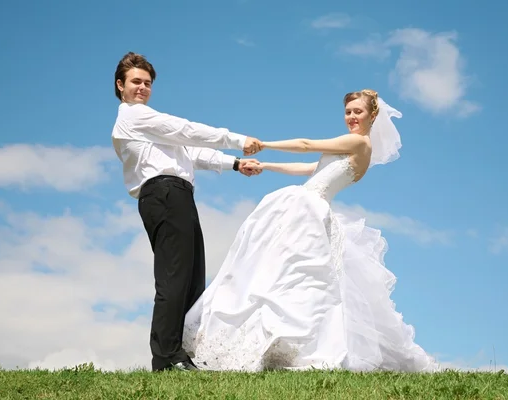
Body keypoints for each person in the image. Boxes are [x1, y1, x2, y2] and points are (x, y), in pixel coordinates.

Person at [182, 89, 439, 372]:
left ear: (373, 115)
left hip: (309, 209)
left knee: (291, 273)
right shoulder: (351, 147)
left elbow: (306, 145)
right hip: (305, 205)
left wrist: (263, 145)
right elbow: (309, 168)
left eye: (358, 111)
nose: (352, 117)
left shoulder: (359, 143)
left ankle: (291, 343)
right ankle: (274, 341)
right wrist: (265, 165)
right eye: (348, 112)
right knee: (284, 273)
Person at [110, 52, 264, 372]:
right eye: (136, 81)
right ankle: (166, 358)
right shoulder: (134, 117)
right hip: (163, 194)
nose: (142, 87)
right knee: (174, 279)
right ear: (120, 86)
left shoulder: (150, 128)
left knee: (194, 280)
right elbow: (187, 130)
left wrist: (234, 163)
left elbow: (192, 151)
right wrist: (237, 140)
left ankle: (185, 354)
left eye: (147, 83)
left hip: (179, 195)